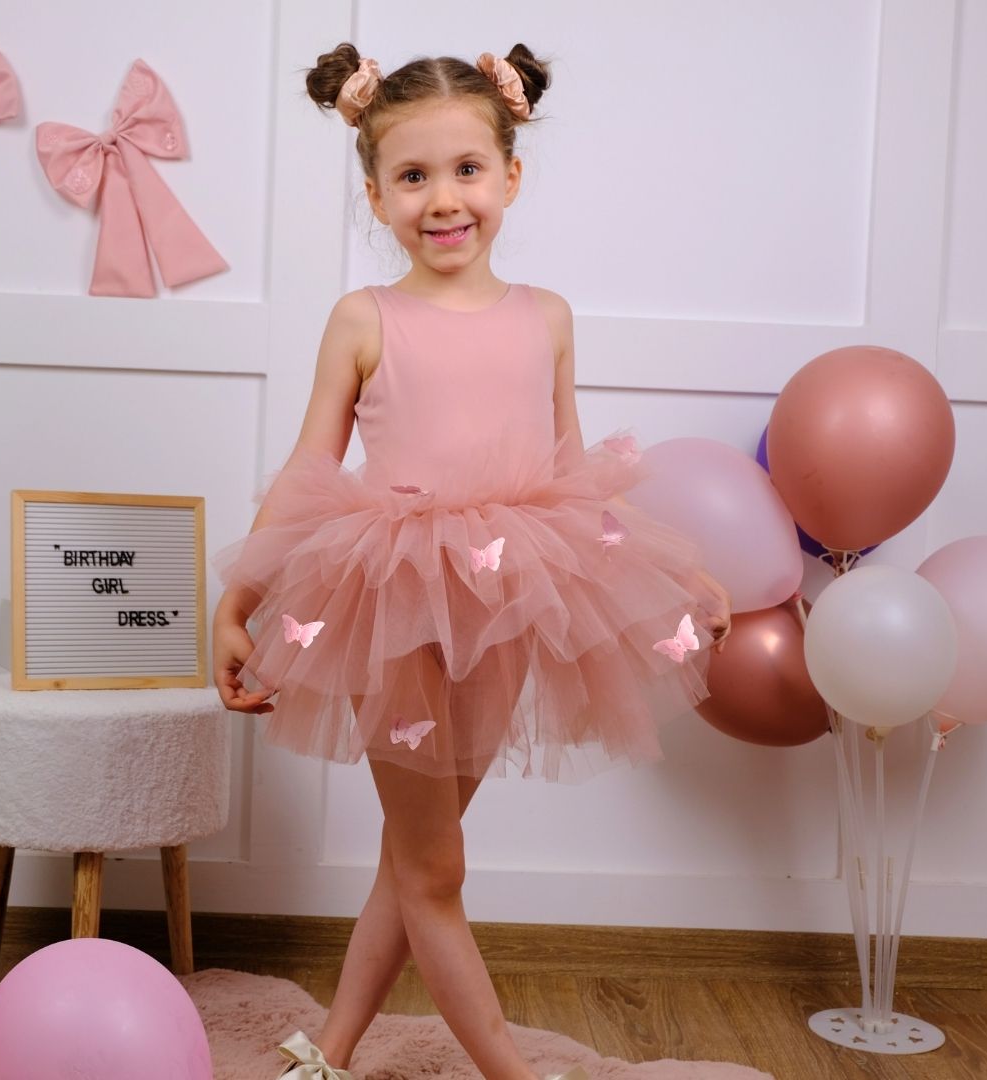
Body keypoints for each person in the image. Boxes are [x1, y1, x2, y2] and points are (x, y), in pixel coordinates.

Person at [213, 41, 731, 1080]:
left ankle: (331, 1049)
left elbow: (574, 475)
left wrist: (678, 576)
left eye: (465, 171)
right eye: (412, 177)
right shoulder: (364, 320)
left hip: (511, 601)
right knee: (436, 868)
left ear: (510, 176)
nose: (443, 200)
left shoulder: (547, 318)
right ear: (375, 193)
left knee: (415, 858)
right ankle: (511, 1073)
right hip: (391, 608)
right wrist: (239, 598)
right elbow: (310, 469)